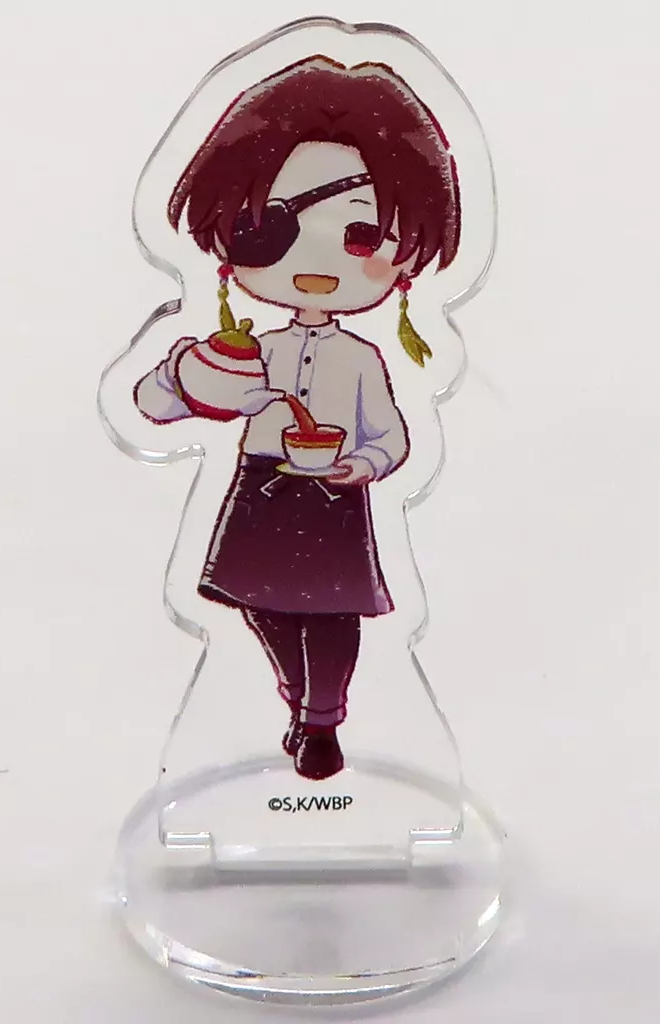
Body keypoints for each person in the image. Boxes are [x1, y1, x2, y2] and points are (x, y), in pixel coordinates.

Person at [134, 55, 462, 780]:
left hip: (334, 497)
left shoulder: (361, 359)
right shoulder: (250, 349)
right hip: (261, 487)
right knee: (261, 605)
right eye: (276, 228)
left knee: (334, 615)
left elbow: (392, 435)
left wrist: (362, 464)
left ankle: (323, 719)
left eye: (359, 236)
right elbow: (156, 406)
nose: (317, 261)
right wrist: (184, 374)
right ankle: (297, 693)